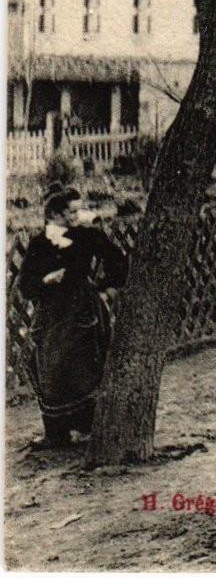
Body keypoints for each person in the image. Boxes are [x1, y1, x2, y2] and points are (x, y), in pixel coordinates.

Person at [19, 187, 129, 447]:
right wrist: (45, 281)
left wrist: (106, 289)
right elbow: (25, 286)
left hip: (82, 309)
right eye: (72, 212)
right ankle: (57, 434)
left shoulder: (88, 236)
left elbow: (118, 261)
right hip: (50, 314)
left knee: (84, 367)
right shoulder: (39, 244)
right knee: (48, 367)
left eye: (79, 211)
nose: (78, 216)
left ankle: (92, 426)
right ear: (54, 214)